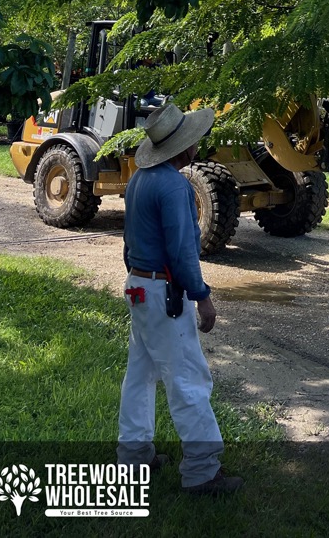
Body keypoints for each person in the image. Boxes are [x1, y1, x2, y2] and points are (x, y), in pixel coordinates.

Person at [117, 103, 243, 494]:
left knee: (140, 375)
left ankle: (133, 458)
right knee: (188, 378)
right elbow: (182, 251)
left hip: (139, 286)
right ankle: (202, 472)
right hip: (163, 293)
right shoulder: (174, 185)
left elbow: (129, 240)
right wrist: (201, 296)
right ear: (183, 149)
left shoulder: (140, 179)